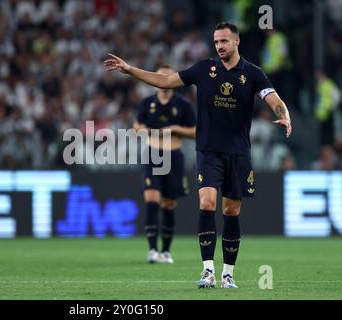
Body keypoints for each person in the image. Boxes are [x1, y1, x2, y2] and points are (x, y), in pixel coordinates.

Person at [104, 22, 292, 289]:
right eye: (216, 42)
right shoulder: (205, 69)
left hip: (238, 153)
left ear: (237, 42)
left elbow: (273, 100)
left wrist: (284, 116)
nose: (220, 46)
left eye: (224, 41)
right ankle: (207, 271)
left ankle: (228, 273)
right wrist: (130, 70)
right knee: (206, 202)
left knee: (231, 210)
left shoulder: (253, 74)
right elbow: (167, 80)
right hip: (208, 151)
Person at [133, 65, 196, 264]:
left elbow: (195, 132)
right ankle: (152, 250)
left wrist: (176, 128)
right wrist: (143, 130)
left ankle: (166, 251)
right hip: (152, 154)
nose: (164, 79)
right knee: (151, 200)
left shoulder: (183, 105)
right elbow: (136, 126)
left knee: (169, 204)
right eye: (160, 75)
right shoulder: (147, 103)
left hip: (173, 155)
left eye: (167, 76)